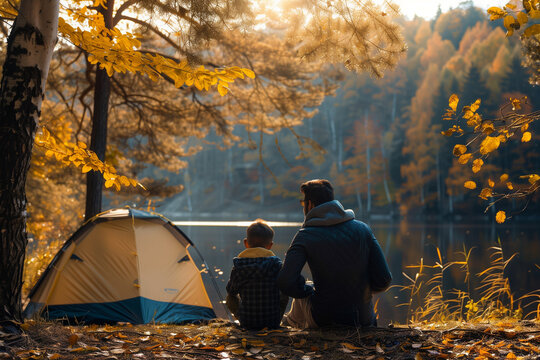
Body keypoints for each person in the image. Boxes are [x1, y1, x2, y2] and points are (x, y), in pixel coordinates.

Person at [277, 179, 392, 328]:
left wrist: (308, 291)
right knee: (311, 289)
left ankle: (288, 326)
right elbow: (384, 279)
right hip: (363, 320)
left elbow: (286, 281)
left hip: (325, 321)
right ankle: (289, 323)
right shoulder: (363, 229)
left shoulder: (305, 236)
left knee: (305, 291)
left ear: (310, 204)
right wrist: (361, 291)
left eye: (302, 203)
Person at [226, 219, 289, 330]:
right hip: (272, 321)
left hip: (247, 322)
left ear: (246, 243)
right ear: (270, 245)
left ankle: (242, 319)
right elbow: (286, 287)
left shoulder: (239, 266)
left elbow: (231, 291)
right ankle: (278, 320)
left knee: (230, 297)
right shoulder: (277, 265)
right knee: (285, 290)